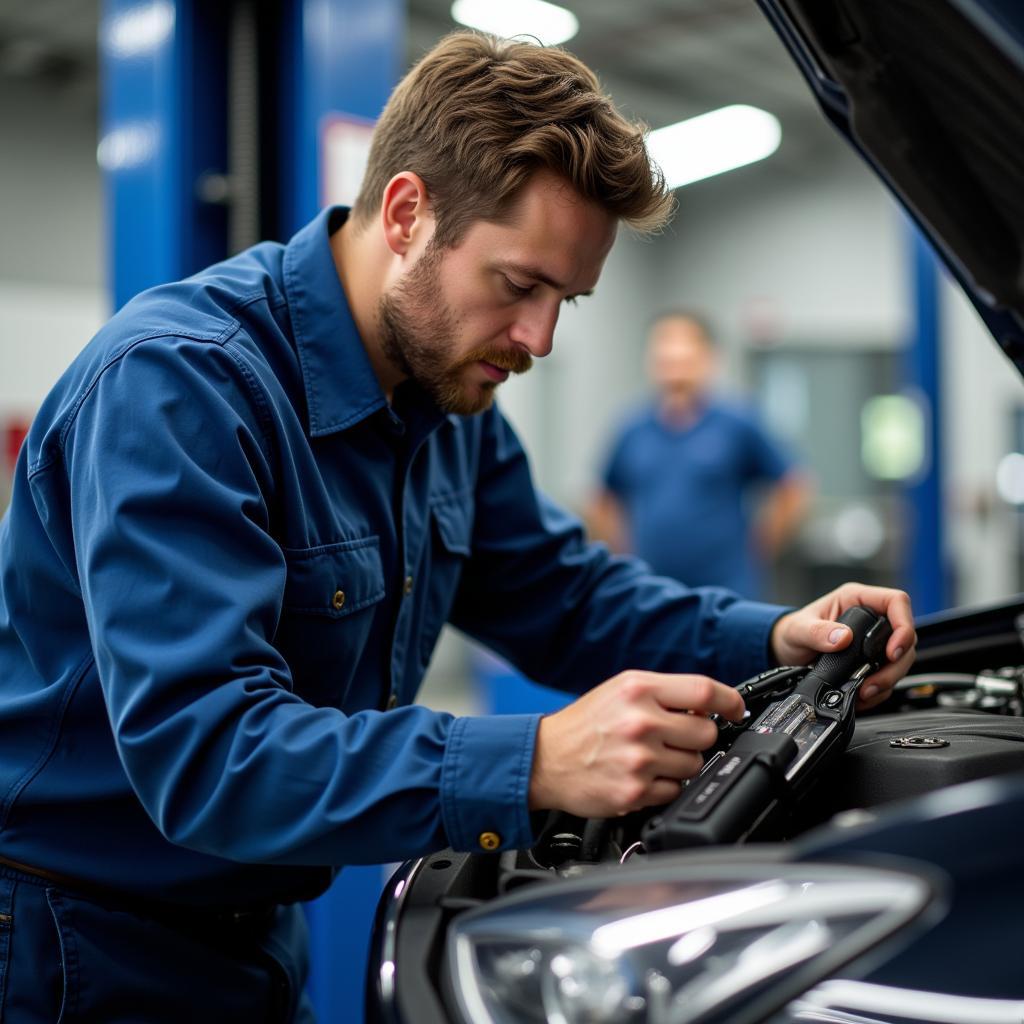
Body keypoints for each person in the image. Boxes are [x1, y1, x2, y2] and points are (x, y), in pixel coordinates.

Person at [0, 31, 914, 1022]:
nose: (540, 338)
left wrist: (776, 636)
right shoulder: (181, 388)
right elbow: (208, 753)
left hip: (254, 931)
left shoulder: (445, 405)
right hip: (79, 945)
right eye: (519, 284)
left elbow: (561, 593)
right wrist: (535, 760)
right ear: (406, 213)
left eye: (565, 298)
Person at [590, 310, 812, 597]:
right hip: (652, 591)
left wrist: (759, 548)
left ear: (708, 357)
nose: (672, 355)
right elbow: (602, 497)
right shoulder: (633, 427)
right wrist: (623, 554)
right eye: (663, 346)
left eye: (683, 346)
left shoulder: (737, 422)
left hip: (727, 589)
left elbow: (793, 486)